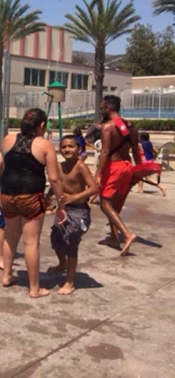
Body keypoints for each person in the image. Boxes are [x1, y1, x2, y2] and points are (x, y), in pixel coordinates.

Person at [0, 108, 66, 299]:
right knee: (31, 242)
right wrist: (61, 204)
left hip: (7, 194)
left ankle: (6, 276)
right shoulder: (44, 145)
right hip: (31, 196)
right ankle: (34, 289)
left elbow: (8, 165)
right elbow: (54, 179)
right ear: (42, 125)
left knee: (10, 238)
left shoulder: (8, 139)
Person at [47, 135, 98, 295]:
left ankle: (70, 281)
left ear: (79, 149)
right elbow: (56, 183)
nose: (67, 150)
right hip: (63, 211)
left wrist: (74, 197)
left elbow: (94, 188)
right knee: (55, 238)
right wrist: (47, 196)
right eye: (63, 147)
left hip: (79, 211)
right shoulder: (59, 166)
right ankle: (62, 264)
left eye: (71, 146)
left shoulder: (80, 166)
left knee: (70, 241)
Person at [95, 95, 139, 255]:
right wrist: (139, 171)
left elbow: (105, 151)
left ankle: (126, 235)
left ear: (109, 108)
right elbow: (135, 149)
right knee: (114, 207)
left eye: (102, 108)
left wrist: (98, 174)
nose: (101, 111)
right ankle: (114, 237)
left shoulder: (108, 127)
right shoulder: (131, 126)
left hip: (113, 167)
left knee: (105, 204)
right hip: (127, 166)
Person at [136, 132, 166, 196]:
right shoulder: (149, 143)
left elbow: (137, 151)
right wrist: (154, 157)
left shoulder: (139, 144)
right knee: (140, 175)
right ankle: (140, 189)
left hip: (144, 161)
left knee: (147, 178)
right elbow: (156, 151)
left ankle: (161, 187)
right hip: (150, 160)